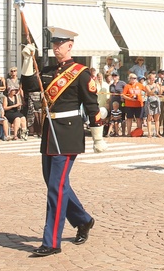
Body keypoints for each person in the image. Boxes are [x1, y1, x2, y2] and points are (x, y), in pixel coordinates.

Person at [20, 26, 106, 257]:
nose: (56, 47)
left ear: (70, 45)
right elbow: (29, 87)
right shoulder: (48, 70)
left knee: (56, 188)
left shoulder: (81, 73)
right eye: (54, 44)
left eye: (61, 44)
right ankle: (83, 220)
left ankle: (52, 242)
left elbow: (91, 105)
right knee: (54, 184)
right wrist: (28, 60)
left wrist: (98, 136)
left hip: (68, 133)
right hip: (50, 132)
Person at [121, 72, 145, 136]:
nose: (134, 80)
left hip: (138, 104)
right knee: (129, 119)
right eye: (132, 78)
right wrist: (130, 99)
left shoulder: (140, 85)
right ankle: (128, 133)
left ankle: (140, 132)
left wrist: (144, 97)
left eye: (135, 78)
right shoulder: (127, 86)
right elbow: (123, 95)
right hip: (129, 104)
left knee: (139, 119)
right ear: (130, 79)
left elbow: (146, 91)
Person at [143, 72, 163, 137]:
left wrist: (160, 87)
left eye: (154, 78)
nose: (153, 80)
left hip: (157, 101)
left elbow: (160, 93)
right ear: (149, 79)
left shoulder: (156, 85)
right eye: (152, 78)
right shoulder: (147, 86)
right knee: (149, 117)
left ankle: (157, 132)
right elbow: (150, 93)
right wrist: (155, 87)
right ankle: (149, 133)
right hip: (150, 101)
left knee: (157, 118)